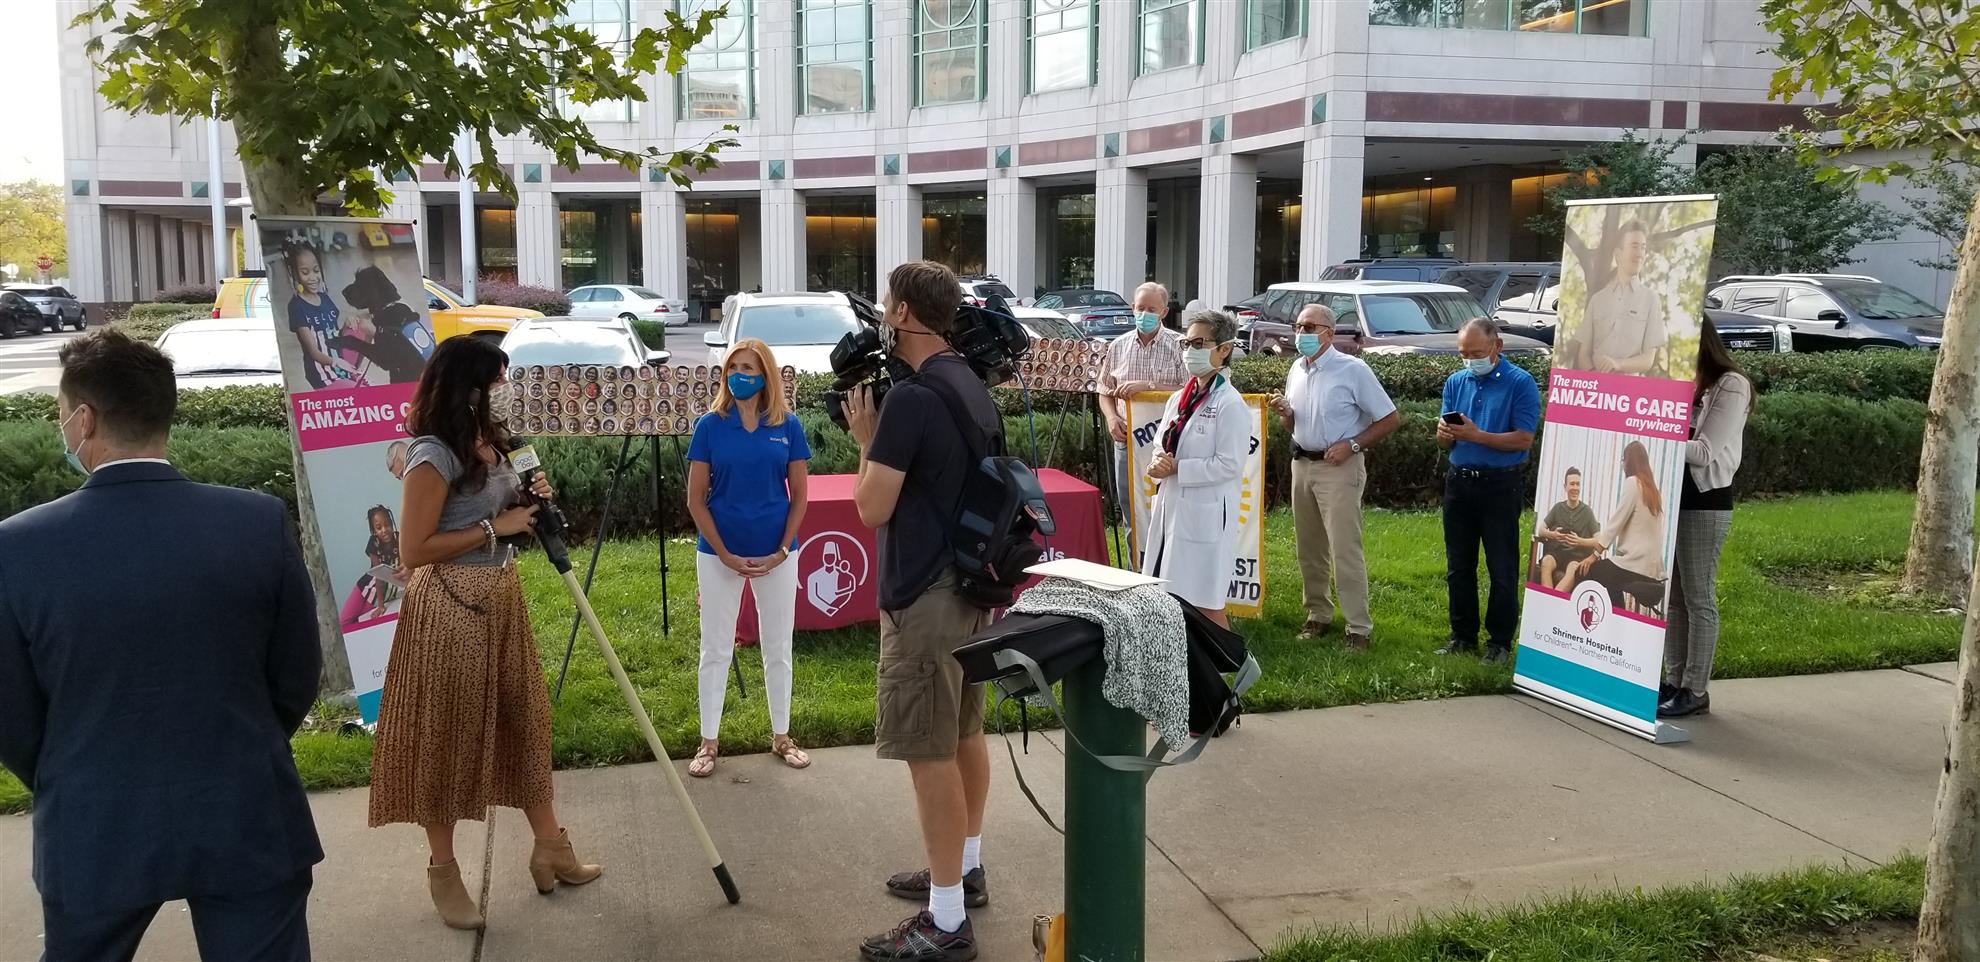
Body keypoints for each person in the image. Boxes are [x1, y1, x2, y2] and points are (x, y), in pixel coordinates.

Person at [0, 329, 323, 961]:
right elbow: (295, 675)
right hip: (244, 807)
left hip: (94, 820)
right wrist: (242, 742)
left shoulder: (18, 547)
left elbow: (11, 712)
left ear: (83, 420)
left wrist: (73, 769)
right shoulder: (255, 523)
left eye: (61, 414)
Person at [367, 336, 599, 931]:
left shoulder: (492, 440)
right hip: (449, 606)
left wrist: (531, 496)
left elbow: (503, 504)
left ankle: (551, 847)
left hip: (499, 597)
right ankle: (443, 871)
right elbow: (414, 549)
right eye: (493, 380)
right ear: (464, 386)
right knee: (447, 735)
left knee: (526, 718)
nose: (502, 390)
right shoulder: (431, 454)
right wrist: (499, 527)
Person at [842, 261, 998, 961]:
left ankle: (947, 921)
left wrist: (865, 441)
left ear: (904, 312)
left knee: (927, 754)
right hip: (968, 588)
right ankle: (963, 870)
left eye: (887, 304)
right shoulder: (967, 380)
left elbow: (871, 507)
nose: (882, 314)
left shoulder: (910, 400)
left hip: (924, 596)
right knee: (963, 734)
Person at [685, 337, 813, 778]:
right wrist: (722, 552)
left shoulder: (788, 426)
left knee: (778, 646)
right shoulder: (710, 426)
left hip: (777, 554)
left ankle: (782, 736)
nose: (739, 375)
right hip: (719, 553)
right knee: (715, 648)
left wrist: (782, 550)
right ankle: (708, 743)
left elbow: (800, 497)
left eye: (748, 368)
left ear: (765, 376)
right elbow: (695, 499)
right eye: (733, 367)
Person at [1269, 303, 1399, 649]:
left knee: (1344, 549)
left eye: (1309, 327)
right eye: (1298, 326)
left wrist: (1353, 445)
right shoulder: (1297, 368)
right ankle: (1317, 614)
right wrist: (1285, 413)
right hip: (1302, 463)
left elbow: (1389, 418)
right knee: (1309, 547)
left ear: (1329, 332)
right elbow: (1292, 424)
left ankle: (1358, 628)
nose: (1302, 333)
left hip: (1339, 469)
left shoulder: (1352, 369)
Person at [1661, 317, 1752, 718]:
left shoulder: (1731, 385)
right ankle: (1673, 681)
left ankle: (1695, 689)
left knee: (1698, 598)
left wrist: (1652, 432)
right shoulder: (1688, 383)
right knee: (1674, 598)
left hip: (1705, 499)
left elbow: (1703, 452)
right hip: (1673, 497)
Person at [1437, 318, 1542, 664]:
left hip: (1500, 484)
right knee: (1459, 565)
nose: (1470, 360)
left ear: (1497, 346)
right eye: (1464, 354)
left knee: (1501, 566)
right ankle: (1462, 635)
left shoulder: (1520, 383)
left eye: (1477, 353)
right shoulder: (1456, 381)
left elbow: (1523, 438)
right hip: (1459, 481)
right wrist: (1444, 434)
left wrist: (1477, 435)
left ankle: (1499, 642)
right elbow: (1444, 438)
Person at [1140, 309, 1251, 628]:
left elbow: (1229, 464)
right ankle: (1181, 655)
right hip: (1172, 506)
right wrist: (1159, 462)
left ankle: (1231, 657)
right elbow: (1161, 443)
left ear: (1224, 349)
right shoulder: (1180, 397)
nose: (1190, 350)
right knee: (1168, 593)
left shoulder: (1229, 403)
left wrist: (1178, 468)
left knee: (1205, 601)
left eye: (1199, 344)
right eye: (1186, 343)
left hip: (1207, 513)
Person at [1099, 281, 1190, 524]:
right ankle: (1135, 551)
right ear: (1132, 308)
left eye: (1151, 310)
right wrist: (1111, 418)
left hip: (1169, 442)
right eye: (1140, 308)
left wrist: (1149, 386)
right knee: (1131, 507)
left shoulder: (1180, 346)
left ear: (1164, 312)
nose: (1144, 314)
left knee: (1170, 507)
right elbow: (1104, 390)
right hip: (1127, 439)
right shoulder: (1118, 346)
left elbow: (1190, 390)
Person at [1562, 441, 1668, 618]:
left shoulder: (1633, 483)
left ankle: (1601, 620)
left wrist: (1594, 555)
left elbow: (1616, 523)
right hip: (1652, 568)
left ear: (1629, 461)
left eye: (1623, 460)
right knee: (1610, 578)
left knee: (1583, 572)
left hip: (1635, 563)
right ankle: (1617, 617)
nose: (1623, 464)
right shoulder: (1652, 489)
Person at [1564, 220, 1665, 376]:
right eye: (1634, 246)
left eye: (1643, 247)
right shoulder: (1597, 300)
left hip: (1629, 389)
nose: (1640, 254)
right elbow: (1583, 354)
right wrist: (1594, 375)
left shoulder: (1651, 299)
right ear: (1618, 254)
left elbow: (1648, 360)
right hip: (1596, 386)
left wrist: (1617, 364)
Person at [283, 240, 353, 388]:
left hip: (340, 364)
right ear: (293, 272)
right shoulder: (297, 306)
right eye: (305, 272)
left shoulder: (325, 298)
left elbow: (334, 335)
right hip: (322, 372)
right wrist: (336, 362)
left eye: (316, 270)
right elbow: (313, 352)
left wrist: (347, 325)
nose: (313, 278)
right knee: (353, 391)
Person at [1534, 467, 1600, 590]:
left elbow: (1599, 540)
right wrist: (1552, 535)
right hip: (1558, 553)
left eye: (1578, 484)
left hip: (1577, 556)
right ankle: (1547, 597)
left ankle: (1553, 599)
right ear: (1565, 487)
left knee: (1572, 569)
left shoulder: (1587, 511)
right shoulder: (1558, 508)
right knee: (1546, 561)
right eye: (1572, 484)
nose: (1575, 488)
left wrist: (1580, 541)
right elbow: (1541, 530)